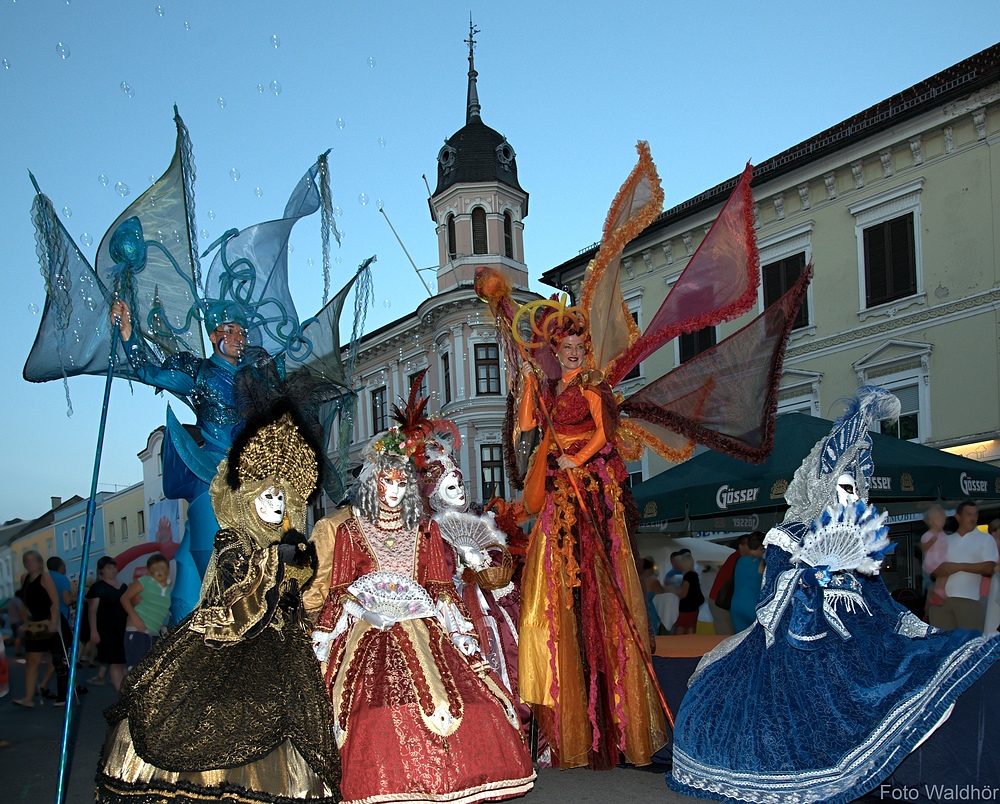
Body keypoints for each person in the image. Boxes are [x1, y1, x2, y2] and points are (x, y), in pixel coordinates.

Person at [667, 386, 1000, 804]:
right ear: (822, 486)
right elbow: (771, 606)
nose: (850, 495)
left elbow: (880, 602)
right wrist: (810, 582)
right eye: (842, 485)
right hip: (798, 643)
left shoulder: (861, 538)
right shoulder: (787, 536)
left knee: (921, 662)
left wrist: (910, 626)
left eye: (856, 486)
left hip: (861, 638)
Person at [96, 405, 341, 803]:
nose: (276, 503)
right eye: (267, 495)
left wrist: (296, 571)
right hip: (228, 646)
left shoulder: (285, 546)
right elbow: (236, 600)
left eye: (282, 495)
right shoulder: (232, 542)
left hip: (285, 655)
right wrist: (275, 561)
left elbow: (293, 600)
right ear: (246, 499)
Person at [311, 427, 535, 804]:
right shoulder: (349, 531)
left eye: (402, 483)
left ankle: (448, 780)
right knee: (371, 708)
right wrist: (364, 609)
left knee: (460, 701)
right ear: (372, 483)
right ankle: (388, 781)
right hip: (369, 630)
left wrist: (458, 628)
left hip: (425, 625)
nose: (394, 491)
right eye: (386, 482)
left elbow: (439, 586)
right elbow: (341, 589)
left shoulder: (426, 529)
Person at [516, 306, 666, 770]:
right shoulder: (549, 389)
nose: (573, 354)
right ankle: (565, 724)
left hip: (589, 490)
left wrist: (576, 460)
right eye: (565, 349)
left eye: (579, 348)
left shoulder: (592, 386)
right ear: (555, 352)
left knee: (600, 589)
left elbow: (605, 434)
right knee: (553, 595)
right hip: (558, 494)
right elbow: (526, 426)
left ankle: (619, 724)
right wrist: (526, 383)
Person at [110, 297, 275, 619]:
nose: (239, 337)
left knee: (197, 562)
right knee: (190, 570)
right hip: (210, 472)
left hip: (247, 477)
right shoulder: (200, 373)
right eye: (230, 330)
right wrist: (127, 334)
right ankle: (197, 643)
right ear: (213, 336)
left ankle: (221, 635)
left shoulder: (258, 379)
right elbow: (147, 371)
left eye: (243, 332)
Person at [927, 500, 998, 633]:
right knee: (942, 644)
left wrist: (958, 567)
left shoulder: (985, 539)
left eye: (975, 514)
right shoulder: (946, 540)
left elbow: (989, 567)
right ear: (958, 517)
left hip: (969, 600)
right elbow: (935, 570)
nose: (973, 518)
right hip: (941, 602)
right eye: (969, 514)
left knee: (969, 644)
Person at [12, 550, 64, 708]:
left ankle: (44, 686)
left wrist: (54, 622)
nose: (29, 563)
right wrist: (24, 620)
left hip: (47, 623)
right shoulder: (25, 578)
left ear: (39, 561)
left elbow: (55, 601)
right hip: (34, 626)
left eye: (32, 560)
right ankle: (28, 697)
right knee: (31, 662)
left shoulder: (45, 577)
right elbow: (25, 604)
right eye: (26, 561)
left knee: (56, 660)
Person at [120, 553, 173, 671]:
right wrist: (135, 619)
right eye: (155, 568)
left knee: (149, 672)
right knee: (134, 670)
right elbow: (124, 598)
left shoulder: (169, 591)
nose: (159, 571)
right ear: (149, 571)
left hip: (154, 634)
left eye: (162, 567)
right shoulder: (145, 582)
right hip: (139, 631)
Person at [86, 557, 127, 691]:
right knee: (115, 662)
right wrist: (93, 631)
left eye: (113, 567)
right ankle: (121, 692)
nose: (112, 570)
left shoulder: (123, 586)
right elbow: (92, 611)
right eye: (109, 568)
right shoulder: (98, 587)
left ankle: (123, 690)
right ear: (102, 570)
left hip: (122, 627)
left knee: (121, 662)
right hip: (106, 629)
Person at [708, 535, 748, 636]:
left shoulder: (735, 557)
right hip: (721, 600)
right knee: (725, 637)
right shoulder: (740, 559)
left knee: (726, 635)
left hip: (720, 599)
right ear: (741, 546)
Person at [729, 532, 766, 633]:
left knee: (739, 639)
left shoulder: (740, 560)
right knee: (757, 640)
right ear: (762, 547)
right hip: (753, 606)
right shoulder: (762, 564)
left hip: (736, 605)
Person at [919, 504, 950, 614]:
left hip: (941, 561)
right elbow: (924, 546)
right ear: (930, 521)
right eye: (937, 519)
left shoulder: (943, 535)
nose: (940, 522)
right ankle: (938, 592)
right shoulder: (928, 535)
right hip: (932, 562)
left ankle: (940, 591)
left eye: (942, 519)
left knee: (945, 575)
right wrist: (932, 541)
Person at [673, 550, 704, 635]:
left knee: (681, 628)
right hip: (694, 606)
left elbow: (684, 594)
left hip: (686, 607)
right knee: (690, 628)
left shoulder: (687, 576)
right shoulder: (694, 575)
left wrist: (675, 593)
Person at [642, 557, 666, 635]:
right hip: (649, 608)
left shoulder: (636, 578)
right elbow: (662, 592)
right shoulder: (653, 580)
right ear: (649, 569)